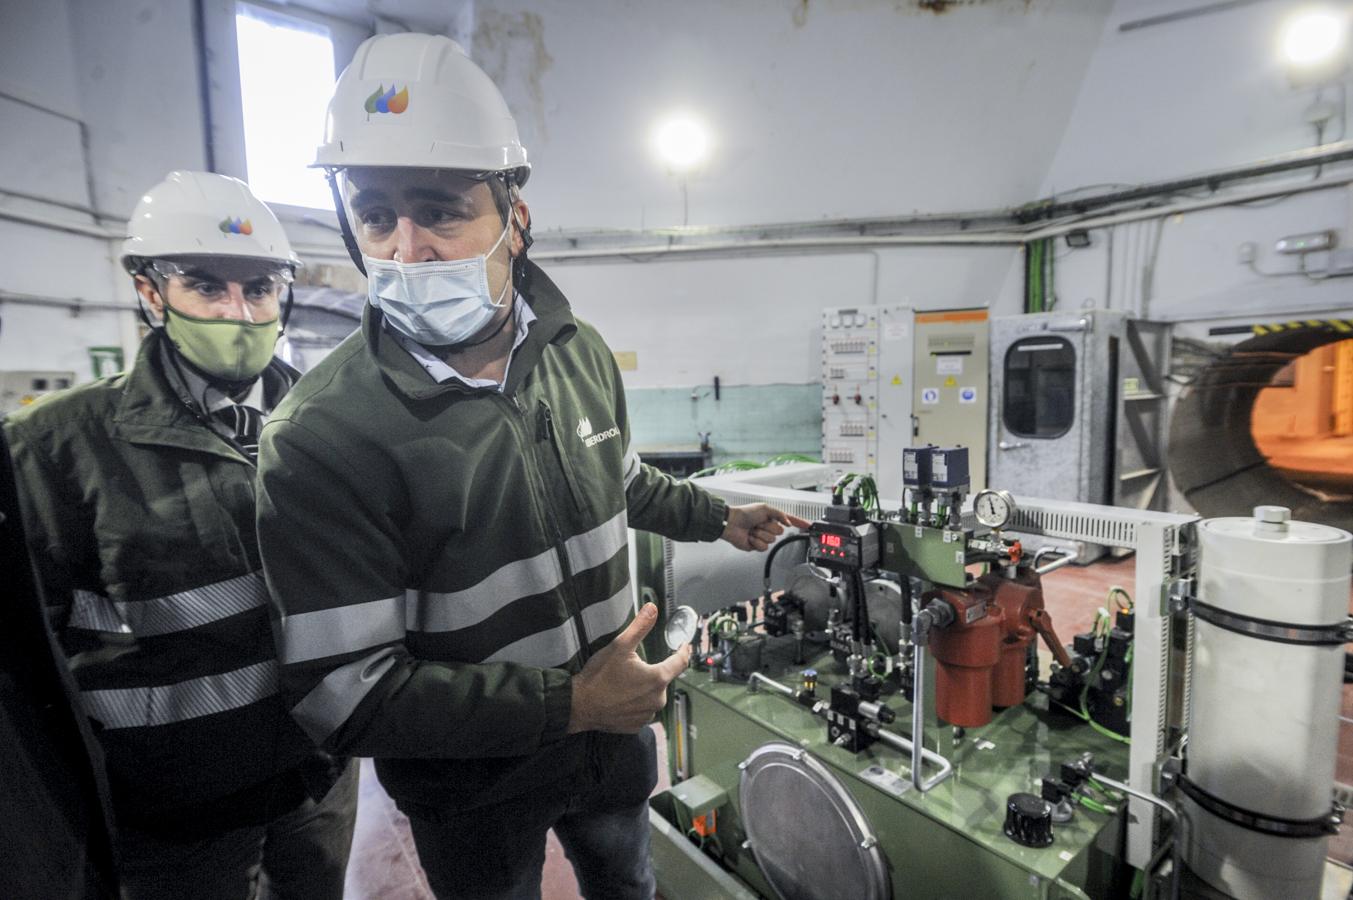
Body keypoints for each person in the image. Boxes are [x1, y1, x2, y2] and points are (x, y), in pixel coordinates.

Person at [254, 32, 805, 900]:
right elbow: (343, 693)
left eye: (439, 209)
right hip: (472, 790)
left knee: (627, 883)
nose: (405, 249)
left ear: (515, 215)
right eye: (374, 216)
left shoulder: (577, 352)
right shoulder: (322, 436)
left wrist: (718, 518)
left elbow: (617, 482)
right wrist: (571, 704)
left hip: (610, 754)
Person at [4, 171, 357, 900]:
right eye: (207, 285)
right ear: (151, 292)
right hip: (171, 812)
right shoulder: (54, 448)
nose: (240, 311)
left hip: (315, 775)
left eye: (259, 287)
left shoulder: (327, 422)